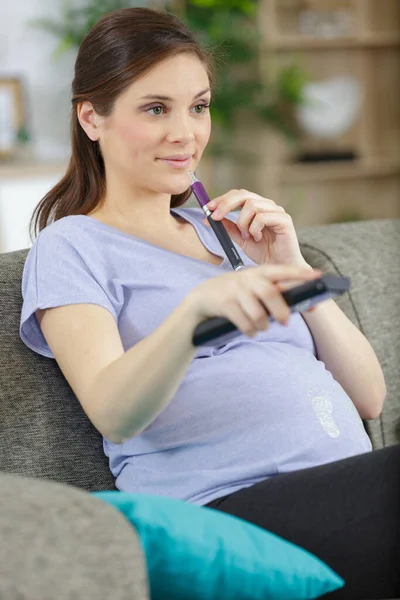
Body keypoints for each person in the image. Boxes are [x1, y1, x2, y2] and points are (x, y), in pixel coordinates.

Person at [19, 7, 399, 599]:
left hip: (335, 489)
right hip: (229, 509)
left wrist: (291, 270)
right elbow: (113, 411)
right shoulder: (72, 245)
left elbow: (370, 397)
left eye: (198, 106)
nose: (186, 133)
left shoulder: (228, 232)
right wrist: (196, 315)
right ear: (92, 117)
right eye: (155, 109)